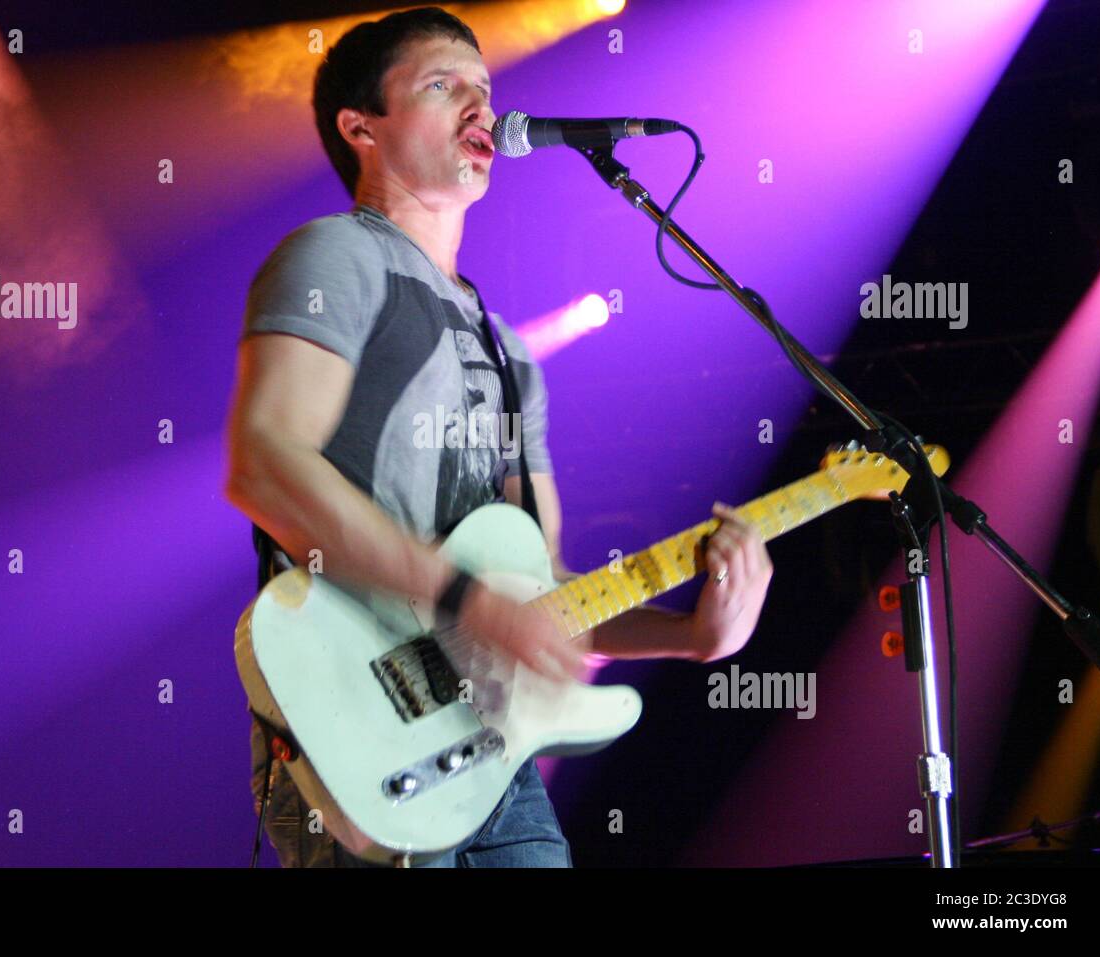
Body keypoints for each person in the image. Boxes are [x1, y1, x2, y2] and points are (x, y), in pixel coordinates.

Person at [223, 6, 773, 868]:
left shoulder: (510, 351)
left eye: (485, 90)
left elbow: (541, 596)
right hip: (349, 732)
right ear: (360, 127)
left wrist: (692, 634)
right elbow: (265, 465)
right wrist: (466, 600)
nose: (481, 108)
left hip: (490, 758)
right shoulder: (337, 258)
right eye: (444, 87)